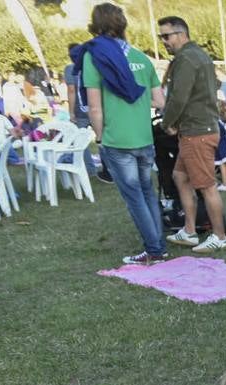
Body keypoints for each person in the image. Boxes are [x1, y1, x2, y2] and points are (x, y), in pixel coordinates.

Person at [80, 3, 166, 265]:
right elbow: (159, 101)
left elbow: (94, 106)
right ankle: (158, 245)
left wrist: (99, 136)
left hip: (117, 139)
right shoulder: (142, 58)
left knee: (134, 197)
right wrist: (136, 103)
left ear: (96, 26)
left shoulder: (94, 56)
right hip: (144, 137)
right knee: (147, 192)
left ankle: (154, 249)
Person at [158, 16, 226, 254]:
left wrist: (167, 122)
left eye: (166, 36)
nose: (163, 42)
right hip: (198, 129)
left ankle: (220, 236)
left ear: (181, 34)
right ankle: (189, 231)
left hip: (197, 132)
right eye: (161, 37)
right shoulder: (198, 55)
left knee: (206, 186)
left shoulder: (187, 58)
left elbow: (179, 97)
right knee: (180, 176)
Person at [63, 42, 109, 182]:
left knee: (81, 142)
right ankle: (109, 169)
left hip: (80, 109)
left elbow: (71, 90)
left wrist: (71, 112)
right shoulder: (93, 67)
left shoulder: (70, 69)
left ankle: (89, 169)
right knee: (102, 139)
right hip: (97, 108)